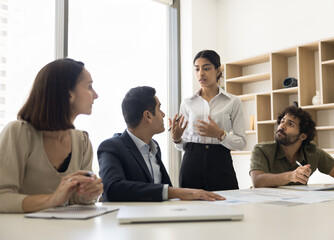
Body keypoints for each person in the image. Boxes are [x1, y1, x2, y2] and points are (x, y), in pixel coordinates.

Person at [0, 58, 103, 213]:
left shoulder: (82, 140)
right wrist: (52, 199)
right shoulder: (18, 133)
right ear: (69, 95)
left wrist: (89, 194)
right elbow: (3, 197)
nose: (96, 95)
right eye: (89, 87)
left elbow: (76, 199)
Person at [98, 86, 225, 202]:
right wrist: (176, 192)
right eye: (159, 108)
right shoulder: (111, 147)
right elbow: (112, 189)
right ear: (148, 116)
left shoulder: (155, 147)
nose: (163, 114)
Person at [169, 50, 246, 191]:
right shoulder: (187, 103)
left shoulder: (233, 101)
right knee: (192, 209)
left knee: (227, 206)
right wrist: (176, 139)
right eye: (197, 69)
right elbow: (183, 146)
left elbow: (241, 143)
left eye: (206, 68)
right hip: (191, 162)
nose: (201, 73)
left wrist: (220, 134)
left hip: (221, 161)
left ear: (218, 71)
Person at [250, 106, 334, 190]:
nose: (282, 126)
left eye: (290, 124)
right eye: (282, 121)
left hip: (297, 204)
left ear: (302, 136)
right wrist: (290, 176)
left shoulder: (312, 152)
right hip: (264, 203)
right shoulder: (261, 150)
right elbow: (258, 181)